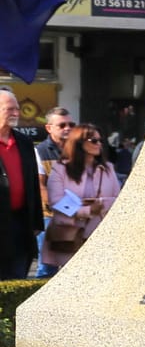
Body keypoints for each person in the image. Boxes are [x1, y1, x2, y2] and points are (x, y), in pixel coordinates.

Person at [39, 122, 121, 271]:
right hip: (69, 233)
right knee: (69, 275)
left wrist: (100, 204)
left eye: (100, 141)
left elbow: (119, 199)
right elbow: (55, 200)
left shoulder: (108, 168)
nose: (99, 144)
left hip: (99, 233)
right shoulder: (61, 168)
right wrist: (87, 210)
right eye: (94, 141)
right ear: (79, 142)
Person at [0, 91, 43, 280]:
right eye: (10, 109)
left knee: (17, 277)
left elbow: (34, 184)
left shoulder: (24, 142)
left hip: (20, 224)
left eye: (17, 109)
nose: (16, 113)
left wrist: (36, 222)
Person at [31, 107, 74, 277]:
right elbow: (41, 186)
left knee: (75, 266)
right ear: (49, 128)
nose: (68, 128)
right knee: (47, 268)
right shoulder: (39, 151)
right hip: (50, 217)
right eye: (62, 125)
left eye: (71, 124)